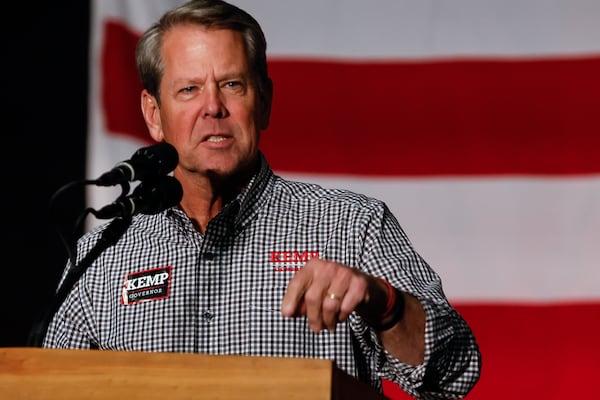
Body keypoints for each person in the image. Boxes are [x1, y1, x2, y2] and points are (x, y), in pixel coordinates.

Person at [43, 0, 481, 398]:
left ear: (265, 102)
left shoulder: (351, 225)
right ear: (154, 115)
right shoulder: (100, 256)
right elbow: (47, 388)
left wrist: (383, 304)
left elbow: (455, 371)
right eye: (189, 89)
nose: (213, 107)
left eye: (232, 85)